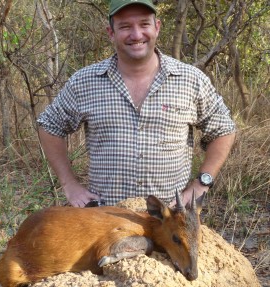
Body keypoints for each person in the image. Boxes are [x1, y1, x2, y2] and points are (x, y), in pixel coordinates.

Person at [37, 0, 236, 208]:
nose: (136, 34)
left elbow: (224, 130)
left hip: (169, 222)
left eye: (144, 24)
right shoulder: (85, 82)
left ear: (157, 27)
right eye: (125, 26)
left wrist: (202, 182)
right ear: (111, 33)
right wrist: (69, 184)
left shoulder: (191, 80)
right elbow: (49, 126)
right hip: (105, 220)